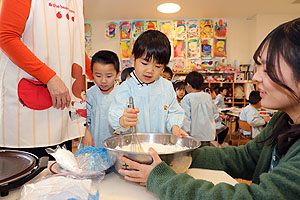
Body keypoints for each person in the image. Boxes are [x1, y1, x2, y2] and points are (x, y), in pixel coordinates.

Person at [118, 18, 300, 199]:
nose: (256, 77)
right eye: (259, 67)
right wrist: (176, 155)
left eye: (269, 69)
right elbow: (245, 158)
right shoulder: (282, 121)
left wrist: (161, 177)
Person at [0, 0, 92, 158]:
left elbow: (75, 48)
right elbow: (6, 36)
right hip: (25, 110)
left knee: (59, 175)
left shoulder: (77, 2)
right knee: (26, 177)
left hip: (62, 110)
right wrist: (48, 77)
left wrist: (96, 75)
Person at [108, 30, 187, 138]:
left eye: (158, 66)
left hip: (161, 145)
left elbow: (174, 112)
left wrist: (175, 127)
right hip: (133, 146)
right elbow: (114, 114)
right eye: (144, 63)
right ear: (133, 58)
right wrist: (122, 121)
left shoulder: (167, 86)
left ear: (164, 67)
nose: (150, 70)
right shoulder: (126, 88)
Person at [82, 50, 119, 148]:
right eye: (98, 76)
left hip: (115, 144)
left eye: (109, 76)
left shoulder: (121, 94)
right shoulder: (89, 94)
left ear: (117, 74)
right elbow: (83, 118)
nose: (103, 81)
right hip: (93, 142)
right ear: (92, 73)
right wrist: (85, 132)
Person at [181, 72, 216, 147]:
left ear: (188, 84)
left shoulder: (187, 98)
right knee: (206, 154)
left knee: (195, 155)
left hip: (194, 135)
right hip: (208, 133)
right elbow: (214, 113)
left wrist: (185, 132)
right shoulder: (208, 96)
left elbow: (186, 118)